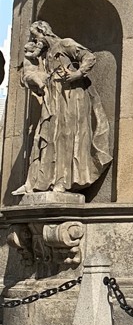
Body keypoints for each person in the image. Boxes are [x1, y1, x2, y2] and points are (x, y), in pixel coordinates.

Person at [15, 21, 112, 196]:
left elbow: (89, 57)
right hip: (54, 97)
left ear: (43, 31)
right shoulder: (45, 54)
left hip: (72, 96)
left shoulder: (65, 44)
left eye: (35, 36)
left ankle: (63, 182)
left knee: (68, 136)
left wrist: (77, 74)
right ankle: (38, 181)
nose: (35, 41)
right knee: (47, 136)